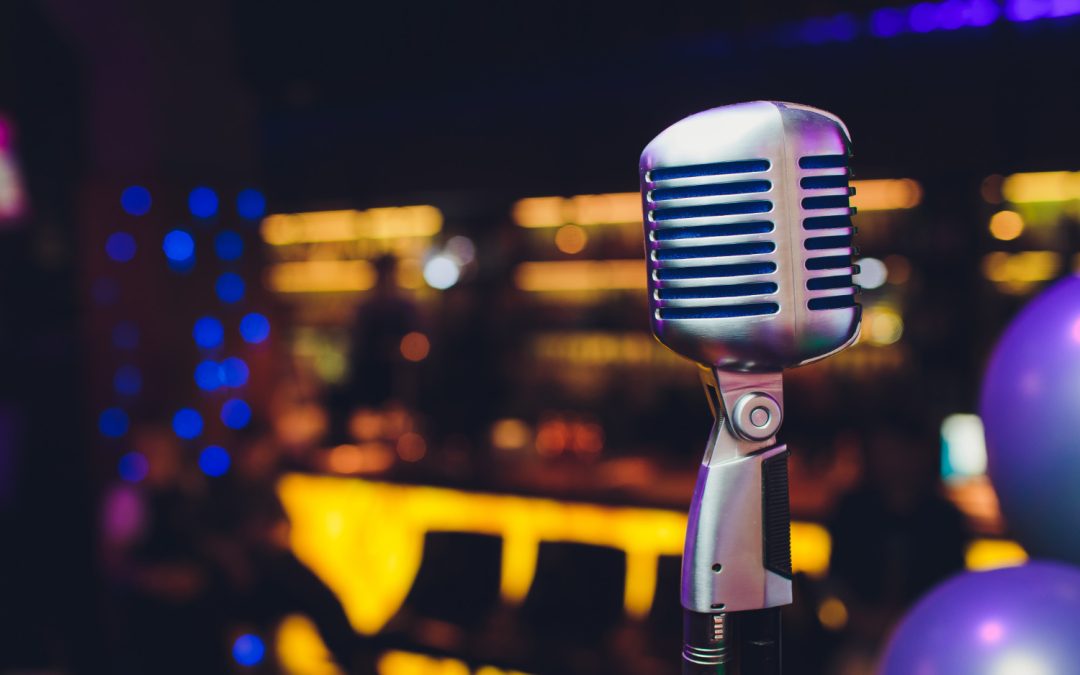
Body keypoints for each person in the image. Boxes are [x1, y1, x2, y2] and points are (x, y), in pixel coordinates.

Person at [826, 422, 968, 674]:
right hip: (859, 640)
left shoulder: (944, 518)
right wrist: (859, 619)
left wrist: (908, 623)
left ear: (922, 453)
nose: (895, 461)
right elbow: (836, 580)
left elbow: (952, 587)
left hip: (928, 637)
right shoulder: (852, 510)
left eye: (902, 450)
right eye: (886, 451)